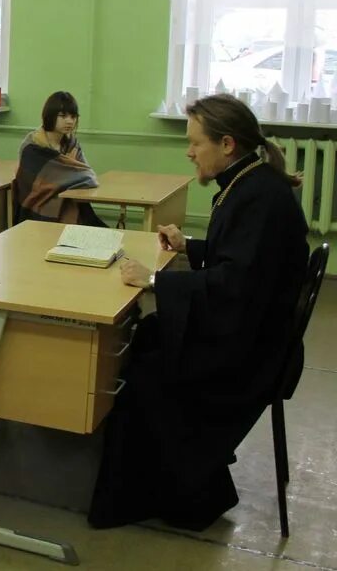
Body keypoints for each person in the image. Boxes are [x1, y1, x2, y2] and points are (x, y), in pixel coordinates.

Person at [89, 94, 309, 532]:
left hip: (253, 354)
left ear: (226, 144)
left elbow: (236, 285)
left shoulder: (258, 196)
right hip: (253, 331)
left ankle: (179, 495)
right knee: (151, 333)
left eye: (195, 143)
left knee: (146, 376)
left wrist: (154, 281)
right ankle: (185, 476)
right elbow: (242, 262)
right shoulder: (250, 181)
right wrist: (191, 247)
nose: (189, 152)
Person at [15, 91, 104, 226]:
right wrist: (69, 181)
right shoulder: (32, 147)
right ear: (50, 116)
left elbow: (88, 176)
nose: (69, 121)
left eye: (73, 116)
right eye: (63, 116)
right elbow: (33, 187)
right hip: (37, 208)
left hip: (69, 203)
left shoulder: (72, 144)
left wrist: (66, 182)